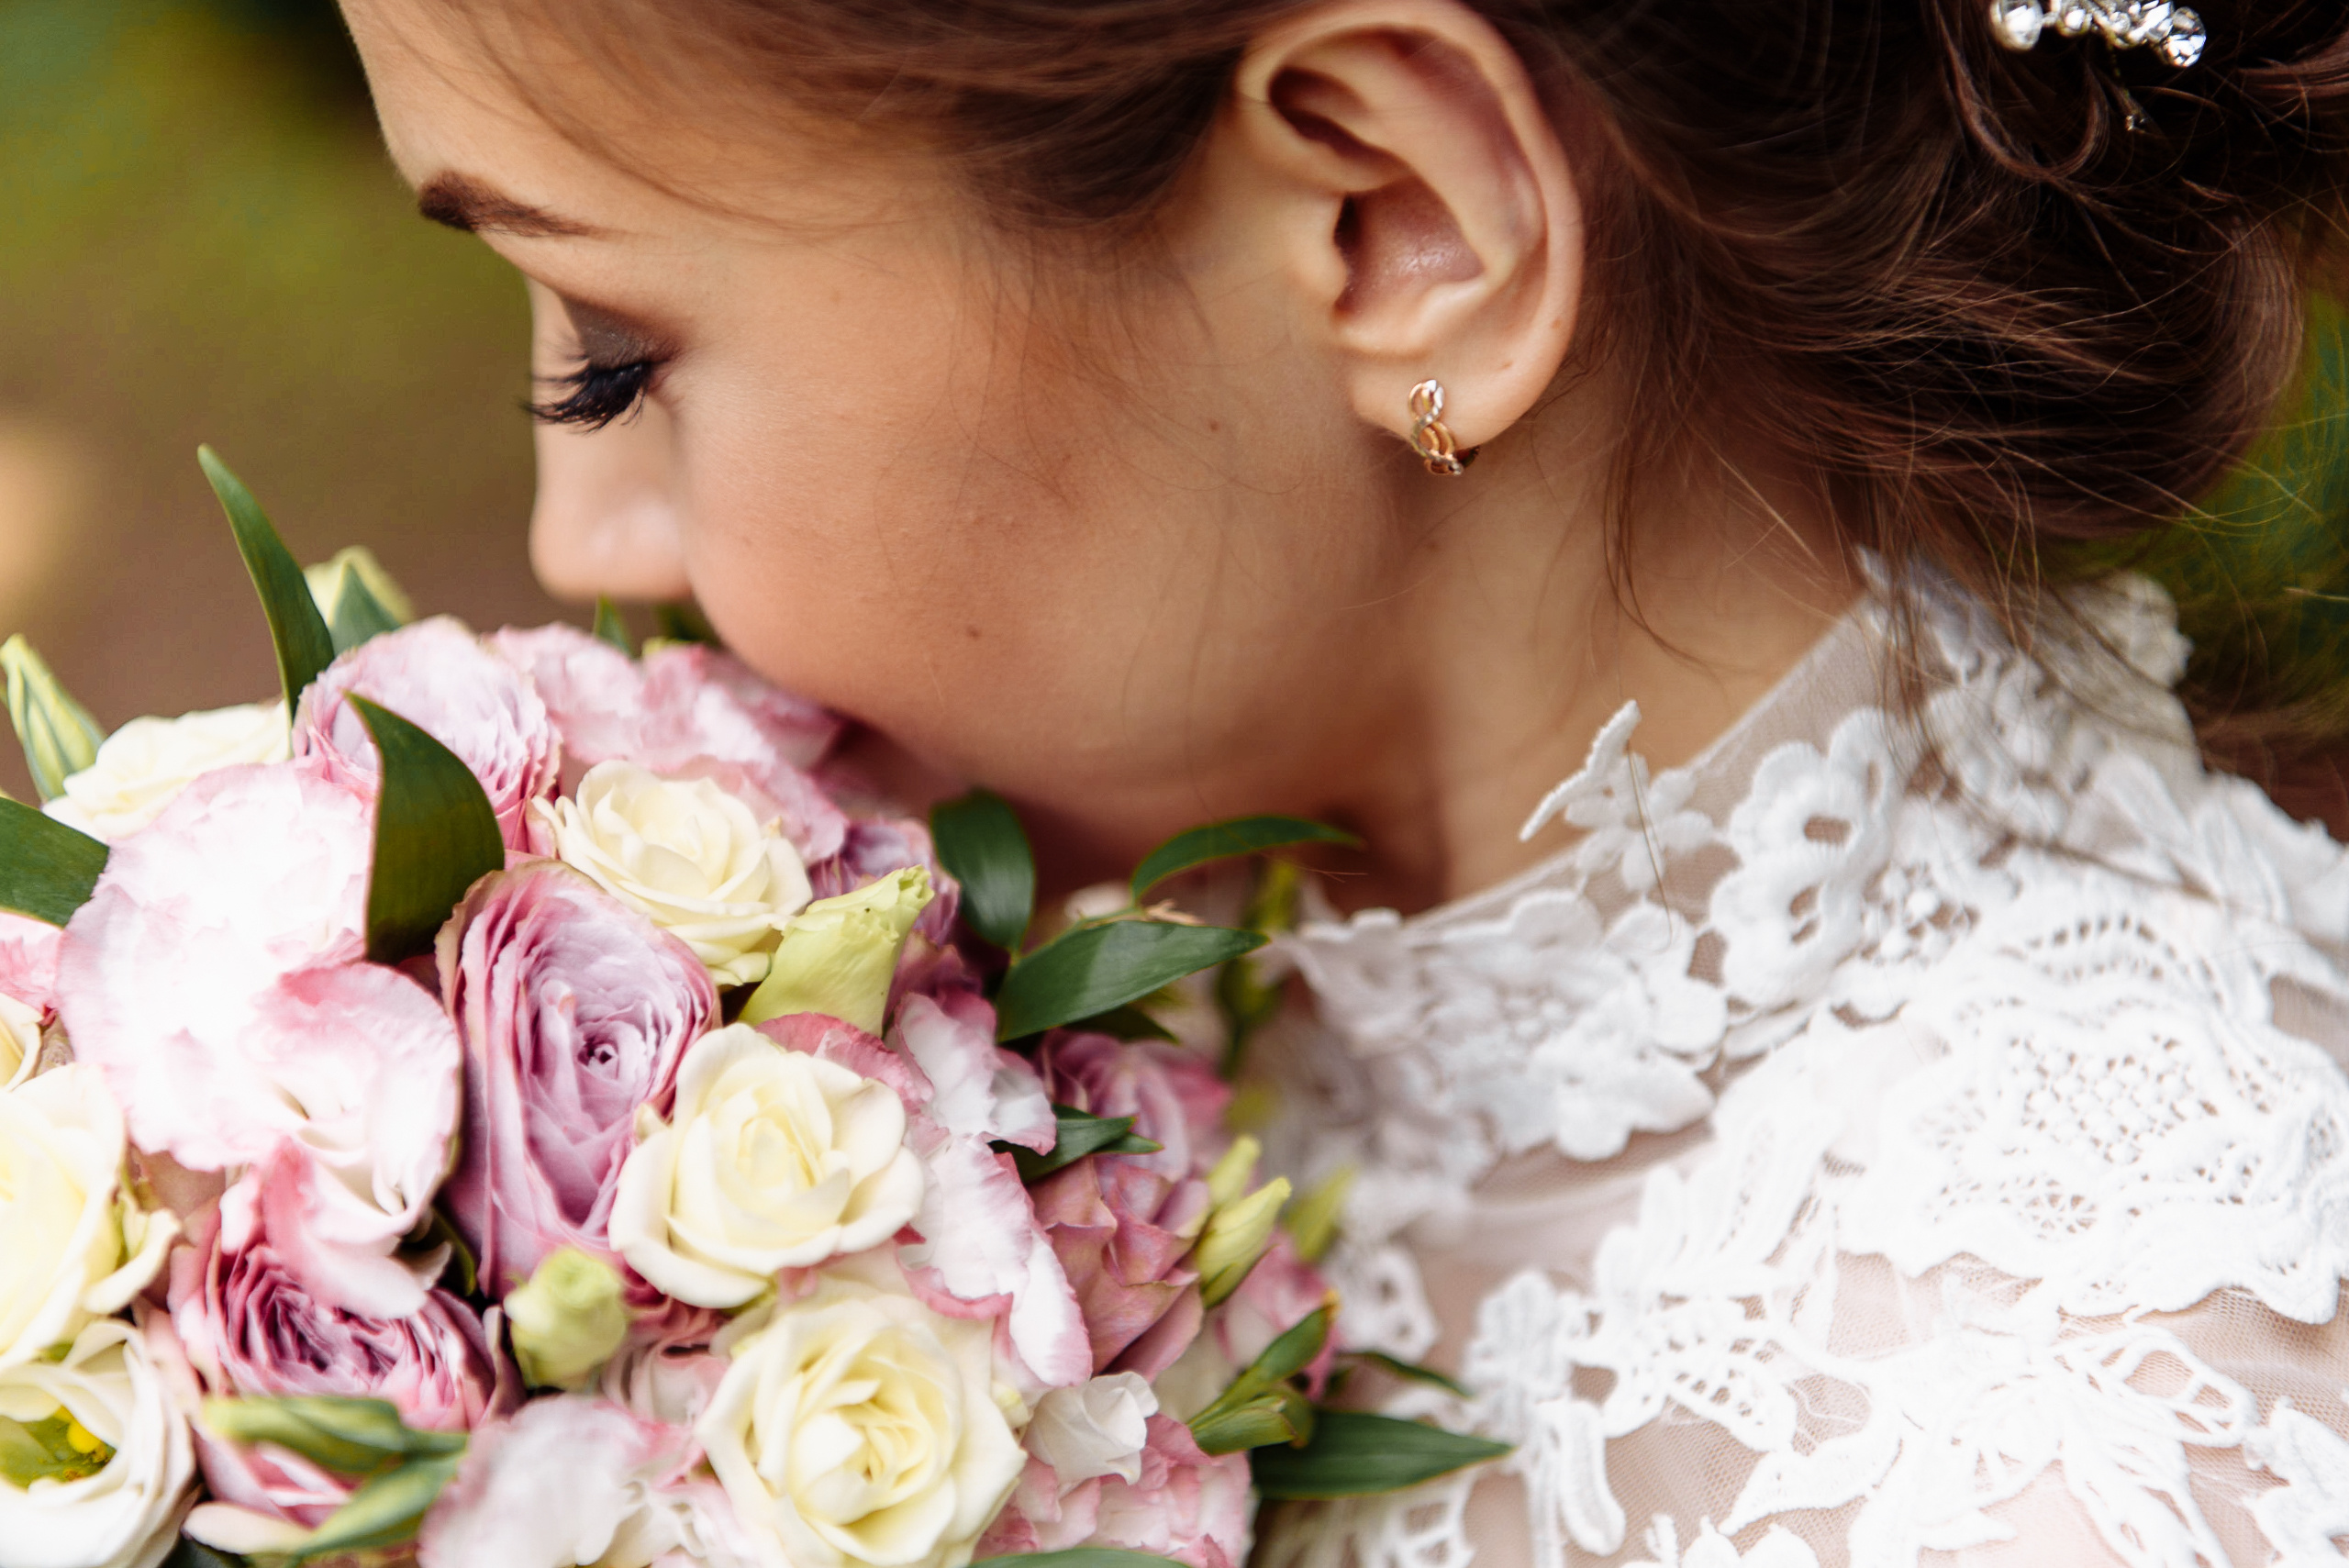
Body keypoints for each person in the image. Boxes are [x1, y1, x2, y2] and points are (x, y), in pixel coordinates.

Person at [335, 0, 2349, 1562]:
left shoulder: (2096, 1446)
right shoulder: (1127, 1056)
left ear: (1391, 221)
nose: (578, 539)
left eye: (615, 357)